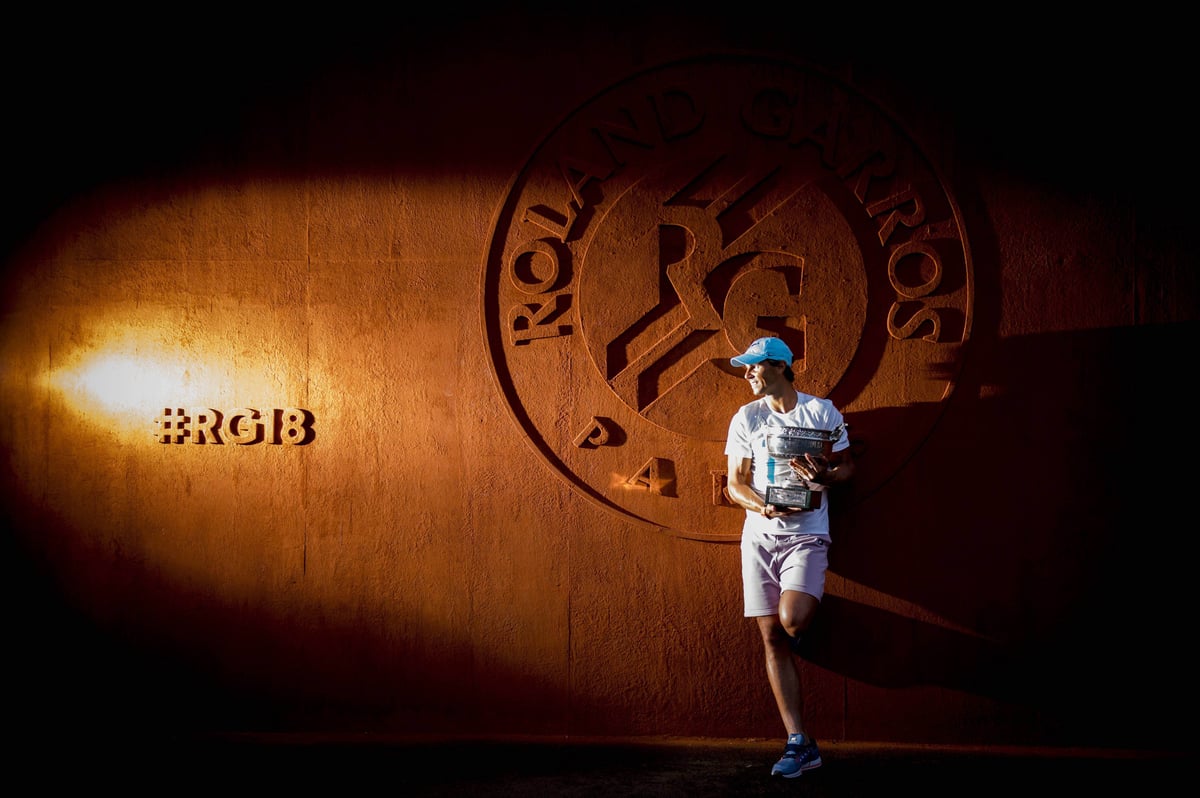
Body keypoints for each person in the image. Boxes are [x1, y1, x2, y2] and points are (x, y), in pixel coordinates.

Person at [724, 335, 854, 779]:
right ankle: (799, 741)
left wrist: (828, 475)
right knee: (773, 639)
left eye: (754, 367)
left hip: (808, 534)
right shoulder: (746, 417)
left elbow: (848, 466)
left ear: (779, 366)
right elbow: (734, 483)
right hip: (759, 537)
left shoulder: (821, 410)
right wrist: (761, 506)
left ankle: (802, 616)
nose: (747, 375)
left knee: (793, 621)